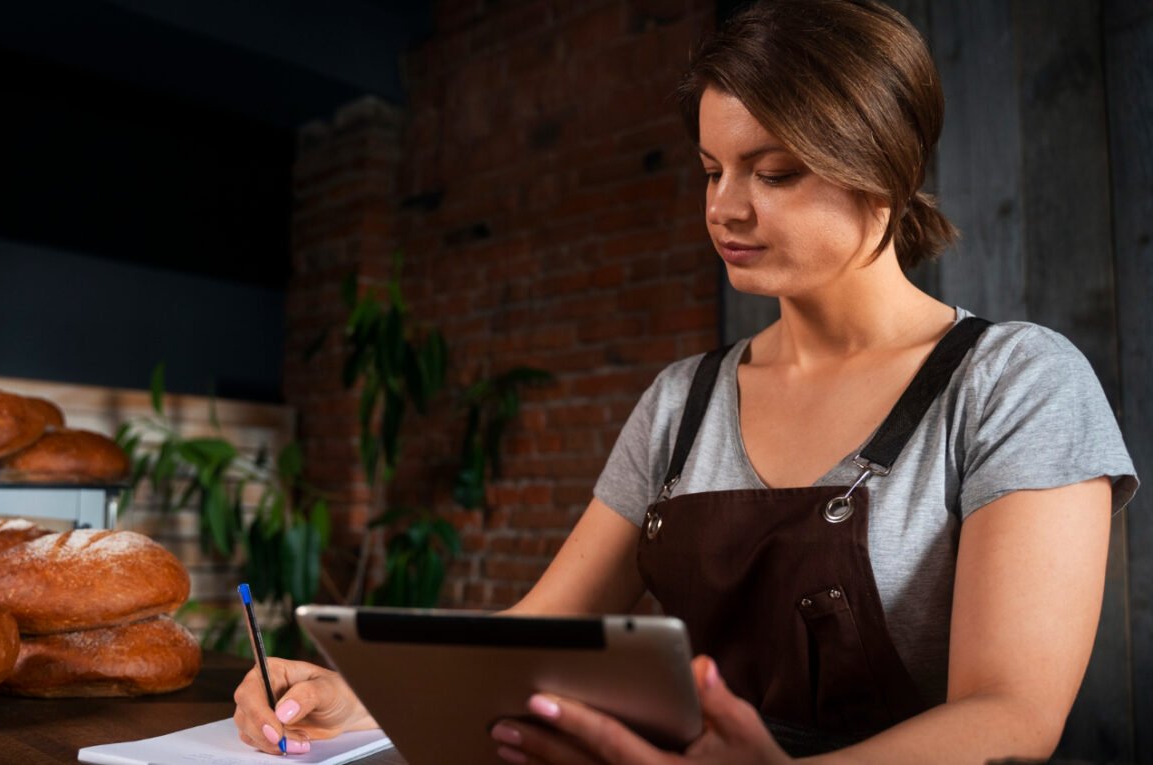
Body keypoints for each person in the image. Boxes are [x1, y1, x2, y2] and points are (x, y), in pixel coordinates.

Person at [233, 0, 1139, 761]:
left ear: (885, 170)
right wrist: (355, 692)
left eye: (774, 172)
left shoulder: (1016, 383)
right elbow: (540, 629)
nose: (724, 207)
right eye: (712, 169)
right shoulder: (682, 401)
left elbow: (1014, 714)